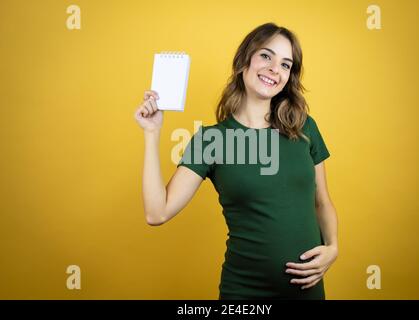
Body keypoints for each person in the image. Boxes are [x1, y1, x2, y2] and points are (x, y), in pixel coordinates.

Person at [134, 22, 338, 300]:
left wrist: (333, 247)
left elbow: (321, 200)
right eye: (266, 56)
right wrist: (151, 133)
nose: (274, 69)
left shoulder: (304, 128)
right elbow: (156, 213)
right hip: (243, 292)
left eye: (285, 64)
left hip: (307, 291)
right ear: (244, 61)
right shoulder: (211, 140)